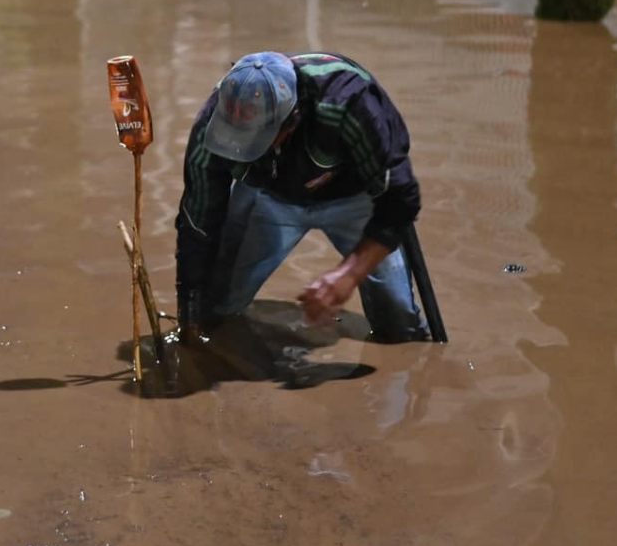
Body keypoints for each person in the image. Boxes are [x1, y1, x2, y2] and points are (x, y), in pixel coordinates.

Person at [175, 51, 430, 343]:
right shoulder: (216, 120)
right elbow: (198, 219)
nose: (235, 144)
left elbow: (400, 199)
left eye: (252, 139)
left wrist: (349, 273)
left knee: (400, 323)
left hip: (356, 201)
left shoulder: (349, 102)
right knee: (216, 309)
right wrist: (190, 311)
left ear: (291, 122)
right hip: (268, 197)